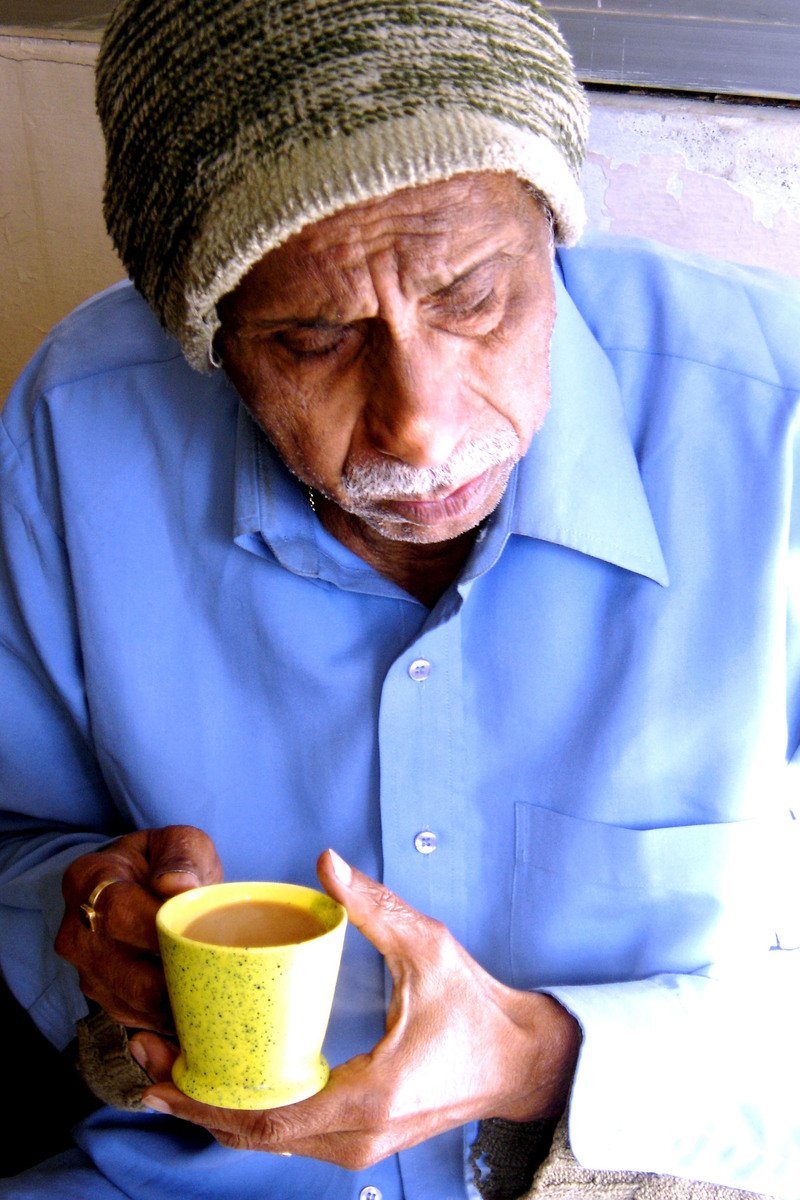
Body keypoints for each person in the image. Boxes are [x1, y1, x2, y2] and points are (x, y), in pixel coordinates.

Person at [0, 1, 798, 1197]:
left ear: (549, 236)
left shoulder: (771, 420)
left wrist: (542, 1059)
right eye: (314, 339)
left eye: (472, 298)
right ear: (207, 337)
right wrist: (90, 922)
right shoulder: (79, 424)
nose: (418, 421)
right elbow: (20, 845)